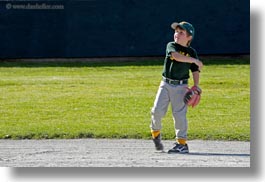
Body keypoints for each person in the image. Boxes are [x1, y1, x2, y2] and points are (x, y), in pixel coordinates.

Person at [150, 21, 203, 153]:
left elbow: (195, 70)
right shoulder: (171, 46)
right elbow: (176, 56)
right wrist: (193, 60)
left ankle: (182, 144)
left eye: (181, 32)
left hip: (181, 87)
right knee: (157, 111)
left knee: (179, 115)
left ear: (189, 37)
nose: (177, 34)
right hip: (166, 84)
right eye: (176, 31)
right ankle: (155, 134)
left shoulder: (192, 52)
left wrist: (196, 86)